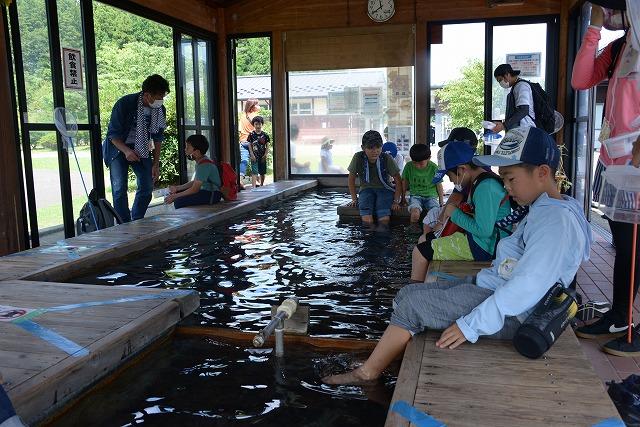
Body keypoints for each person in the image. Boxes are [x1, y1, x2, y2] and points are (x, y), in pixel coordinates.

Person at [323, 126, 592, 385]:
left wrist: (469, 326)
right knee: (407, 294)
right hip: (496, 290)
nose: (506, 187)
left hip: (516, 314)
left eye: (511, 179)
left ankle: (367, 374)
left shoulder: (556, 222)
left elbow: (528, 286)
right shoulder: (547, 209)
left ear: (542, 173)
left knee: (410, 306)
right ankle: (392, 351)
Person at [571, 1, 640, 356]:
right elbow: (581, 79)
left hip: (636, 166)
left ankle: (628, 321)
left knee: (634, 245)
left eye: (613, 8)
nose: (609, 12)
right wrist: (593, 29)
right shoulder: (618, 49)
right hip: (614, 162)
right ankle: (619, 315)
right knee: (624, 244)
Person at [411, 140, 511, 282]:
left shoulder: (485, 187)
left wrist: (454, 213)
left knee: (419, 252)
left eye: (449, 175)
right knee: (424, 239)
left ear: (462, 169)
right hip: (479, 241)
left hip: (484, 247)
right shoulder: (480, 182)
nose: (451, 181)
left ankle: (414, 296)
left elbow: (484, 231)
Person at [102, 74, 169, 222]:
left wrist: (156, 164)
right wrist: (126, 151)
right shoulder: (125, 103)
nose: (161, 100)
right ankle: (123, 223)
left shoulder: (160, 110)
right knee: (119, 189)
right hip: (118, 149)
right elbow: (113, 135)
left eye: (163, 96)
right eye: (159, 96)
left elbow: (158, 137)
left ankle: (137, 218)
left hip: (142, 147)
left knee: (147, 184)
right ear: (147, 95)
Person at [422, 127, 479, 235]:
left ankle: (427, 243)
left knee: (429, 232)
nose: (451, 180)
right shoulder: (467, 171)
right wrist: (440, 220)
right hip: (463, 212)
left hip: (467, 216)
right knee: (433, 215)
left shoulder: (476, 177)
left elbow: (455, 199)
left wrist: (439, 224)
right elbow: (454, 197)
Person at [347, 130, 403, 225]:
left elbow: (398, 180)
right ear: (363, 148)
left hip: (385, 189)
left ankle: (381, 238)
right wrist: (354, 199)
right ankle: (369, 237)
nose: (375, 151)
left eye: (378, 147)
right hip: (366, 189)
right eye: (371, 148)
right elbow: (351, 179)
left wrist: (396, 201)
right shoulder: (358, 157)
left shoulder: (386, 158)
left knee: (383, 218)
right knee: (367, 218)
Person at [165, 135, 222, 208]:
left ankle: (187, 219)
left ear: (197, 152)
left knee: (179, 201)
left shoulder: (204, 165)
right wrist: (177, 188)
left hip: (212, 194)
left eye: (188, 147)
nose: (185, 150)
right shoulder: (202, 161)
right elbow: (195, 182)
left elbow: (195, 189)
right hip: (207, 192)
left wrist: (174, 196)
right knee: (178, 194)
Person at [401, 144, 443, 223]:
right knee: (415, 213)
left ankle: (431, 232)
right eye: (414, 163)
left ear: (429, 158)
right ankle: (413, 230)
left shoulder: (434, 168)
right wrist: (403, 198)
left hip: (431, 196)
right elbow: (404, 183)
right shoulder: (408, 166)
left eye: (421, 163)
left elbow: (439, 185)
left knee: (435, 212)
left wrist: (441, 202)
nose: (417, 166)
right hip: (415, 196)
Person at [492, 64, 536, 133]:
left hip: (525, 130)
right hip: (520, 131)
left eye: (500, 80)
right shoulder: (516, 87)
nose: (500, 83)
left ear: (507, 75)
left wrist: (504, 125)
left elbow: (524, 110)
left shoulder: (521, 86)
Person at [239, 99, 260, 186]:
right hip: (253, 142)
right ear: (253, 106)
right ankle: (257, 181)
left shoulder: (243, 116)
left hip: (243, 141)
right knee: (255, 161)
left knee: (244, 161)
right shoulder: (256, 117)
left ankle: (240, 179)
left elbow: (239, 130)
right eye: (257, 104)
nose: (259, 106)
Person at [247, 116, 270, 188]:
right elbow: (249, 144)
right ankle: (253, 187)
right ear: (253, 125)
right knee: (254, 172)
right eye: (256, 124)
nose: (258, 126)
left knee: (262, 172)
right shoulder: (251, 135)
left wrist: (265, 154)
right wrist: (251, 154)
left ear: (262, 124)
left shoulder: (265, 135)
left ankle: (262, 185)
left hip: (262, 156)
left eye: (259, 124)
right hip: (254, 156)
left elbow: (267, 145)